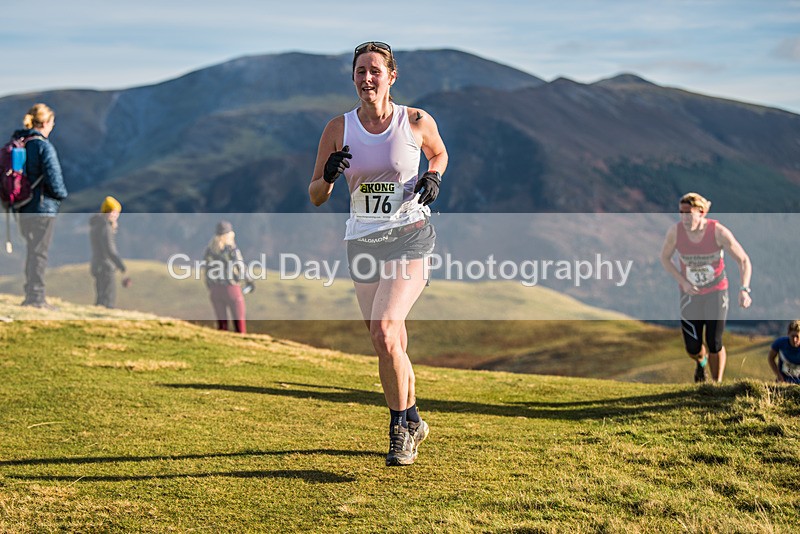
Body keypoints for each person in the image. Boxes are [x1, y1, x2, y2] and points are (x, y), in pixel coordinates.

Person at [309, 41, 448, 466]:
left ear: (391, 76)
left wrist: (434, 176)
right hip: (363, 241)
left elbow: (438, 153)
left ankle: (400, 429)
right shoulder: (338, 128)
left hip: (410, 235)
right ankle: (414, 417)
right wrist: (329, 177)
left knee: (385, 331)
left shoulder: (415, 120)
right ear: (353, 77)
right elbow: (315, 194)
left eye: (375, 71)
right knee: (389, 341)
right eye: (360, 71)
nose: (367, 78)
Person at [660, 192, 752, 383]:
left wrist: (744, 289)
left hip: (716, 292)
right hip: (690, 294)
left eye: (688, 213)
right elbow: (665, 258)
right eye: (681, 213)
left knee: (714, 342)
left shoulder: (718, 232)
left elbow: (743, 260)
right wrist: (683, 281)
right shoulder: (675, 232)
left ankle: (716, 385)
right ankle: (701, 362)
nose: (684, 218)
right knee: (692, 347)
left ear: (701, 212)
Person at [13, 103, 68, 309]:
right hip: (42, 208)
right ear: (45, 123)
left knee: (32, 251)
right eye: (52, 122)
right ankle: (36, 297)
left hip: (23, 206)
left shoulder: (20, 143)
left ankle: (31, 293)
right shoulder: (44, 146)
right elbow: (54, 179)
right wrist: (61, 195)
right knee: (40, 253)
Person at [203, 220, 248, 334]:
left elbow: (206, 270)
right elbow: (241, 267)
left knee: (222, 326)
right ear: (230, 234)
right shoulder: (232, 250)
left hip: (215, 290)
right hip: (231, 289)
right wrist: (249, 281)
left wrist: (211, 287)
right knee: (239, 324)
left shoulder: (209, 251)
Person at [89, 196, 130, 308]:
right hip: (105, 267)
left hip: (97, 265)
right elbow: (109, 249)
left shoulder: (96, 225)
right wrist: (121, 265)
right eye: (115, 212)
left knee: (100, 296)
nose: (116, 215)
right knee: (108, 298)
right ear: (109, 212)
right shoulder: (105, 227)